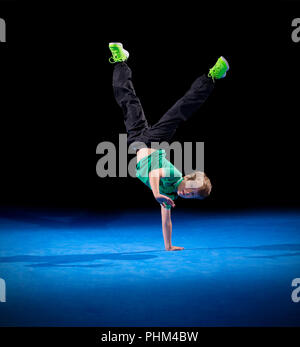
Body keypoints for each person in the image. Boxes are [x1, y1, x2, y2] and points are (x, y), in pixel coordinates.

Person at [109, 42, 229, 251]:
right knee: (180, 109)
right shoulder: (174, 175)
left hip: (137, 141)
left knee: (128, 101)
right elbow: (155, 172)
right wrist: (155, 193)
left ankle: (120, 61)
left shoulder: (170, 197)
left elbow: (166, 220)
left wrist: (168, 245)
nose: (186, 194)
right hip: (153, 141)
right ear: (187, 179)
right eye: (190, 189)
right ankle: (212, 76)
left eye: (191, 196)